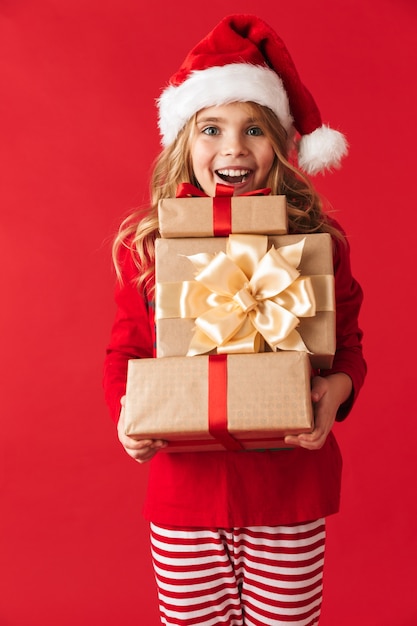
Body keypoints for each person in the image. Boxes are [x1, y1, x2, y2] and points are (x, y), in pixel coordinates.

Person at [103, 14, 366, 626]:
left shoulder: (318, 239)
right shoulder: (148, 245)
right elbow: (127, 352)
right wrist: (127, 417)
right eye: (211, 129)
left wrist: (333, 395)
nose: (233, 149)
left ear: (282, 141)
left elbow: (347, 343)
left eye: (254, 129)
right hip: (185, 497)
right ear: (181, 142)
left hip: (288, 491)